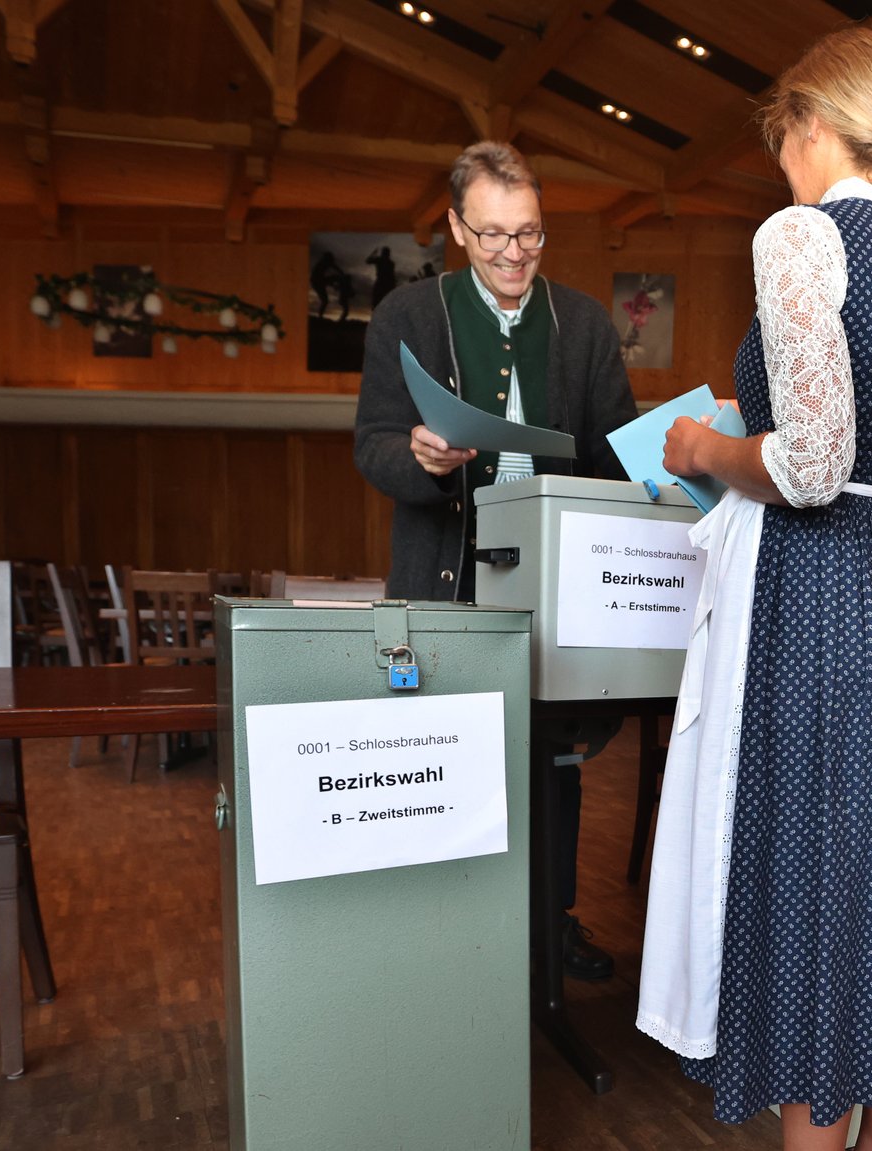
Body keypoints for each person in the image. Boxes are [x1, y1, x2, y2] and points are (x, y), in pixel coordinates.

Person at [636, 28, 872, 1150]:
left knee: (813, 889)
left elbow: (812, 464)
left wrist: (699, 447)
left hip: (820, 588)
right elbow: (865, 445)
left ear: (811, 123)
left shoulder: (800, 233)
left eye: (781, 137)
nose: (779, 161)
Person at [353, 140, 638, 978]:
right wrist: (420, 457)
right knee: (448, 761)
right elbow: (372, 446)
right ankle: (451, 939)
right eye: (492, 237)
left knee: (554, 763)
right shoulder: (406, 317)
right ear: (454, 227)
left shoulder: (582, 322)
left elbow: (617, 454)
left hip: (555, 588)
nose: (514, 255)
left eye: (531, 235)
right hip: (445, 577)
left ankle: (549, 926)